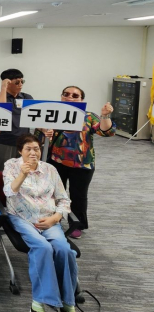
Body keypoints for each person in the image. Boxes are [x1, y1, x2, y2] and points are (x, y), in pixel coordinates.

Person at [3, 134, 77, 312]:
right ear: (20, 151)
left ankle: (68, 300)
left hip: (49, 218)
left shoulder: (50, 169)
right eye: (28, 149)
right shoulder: (11, 166)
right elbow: (9, 191)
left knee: (64, 250)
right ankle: (39, 301)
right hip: (22, 218)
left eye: (36, 149)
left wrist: (55, 218)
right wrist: (23, 174)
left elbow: (63, 199)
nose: (33, 152)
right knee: (43, 247)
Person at [37, 86, 115, 238]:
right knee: (53, 193)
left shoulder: (88, 117)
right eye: (66, 94)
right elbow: (39, 140)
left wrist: (105, 116)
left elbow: (106, 132)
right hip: (56, 162)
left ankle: (77, 224)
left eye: (75, 95)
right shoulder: (52, 114)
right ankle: (53, 220)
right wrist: (44, 130)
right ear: (61, 97)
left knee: (78, 195)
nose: (70, 97)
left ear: (81, 99)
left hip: (82, 164)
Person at [0, 69, 34, 172]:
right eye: (17, 82)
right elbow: (0, 110)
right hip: (4, 141)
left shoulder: (27, 97)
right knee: (2, 170)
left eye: (22, 81)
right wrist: (3, 88)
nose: (20, 85)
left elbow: (34, 117)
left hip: (23, 141)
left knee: (23, 169)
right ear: (8, 83)